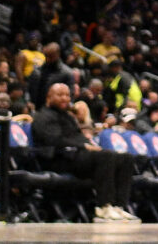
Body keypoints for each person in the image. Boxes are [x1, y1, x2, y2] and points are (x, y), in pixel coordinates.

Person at [34, 79, 140, 224]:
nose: (65, 98)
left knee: (126, 158)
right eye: (60, 95)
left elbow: (78, 137)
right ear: (49, 97)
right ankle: (103, 207)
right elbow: (55, 141)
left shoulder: (67, 116)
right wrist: (84, 147)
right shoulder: (43, 116)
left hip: (76, 156)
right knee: (106, 156)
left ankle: (118, 206)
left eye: (67, 95)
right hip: (57, 158)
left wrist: (89, 145)